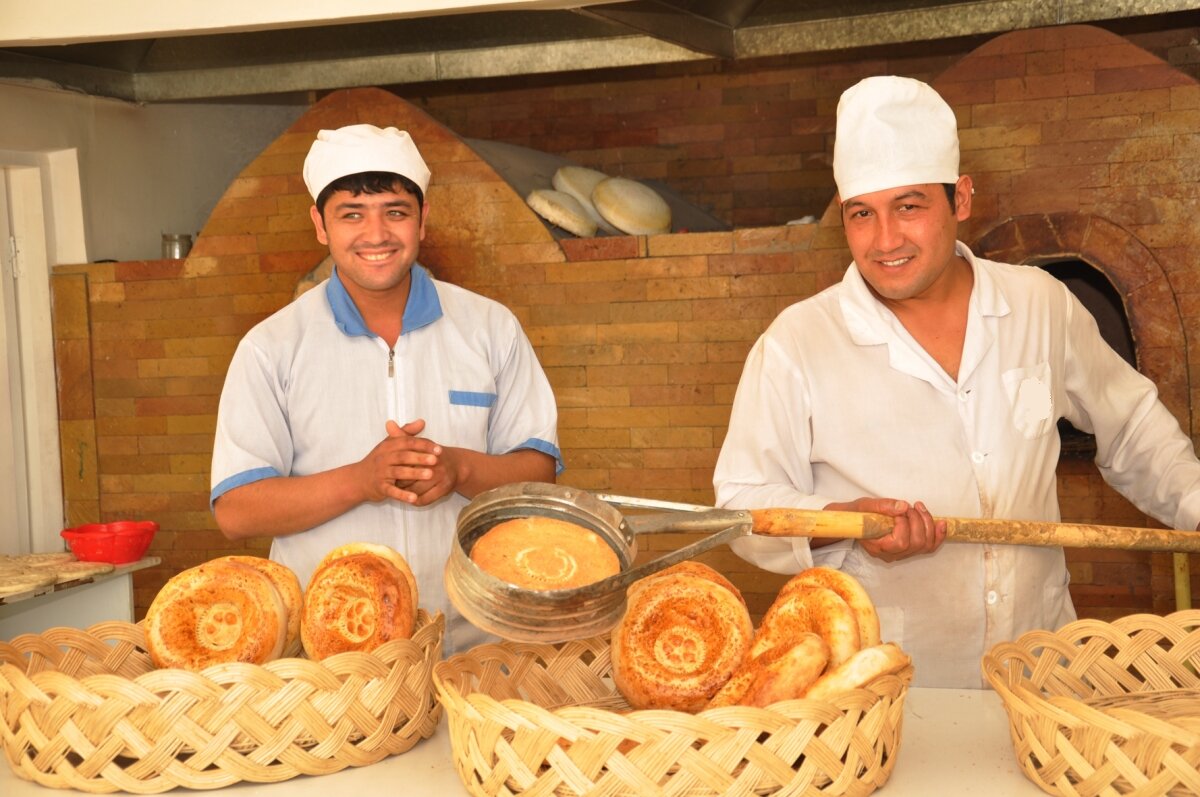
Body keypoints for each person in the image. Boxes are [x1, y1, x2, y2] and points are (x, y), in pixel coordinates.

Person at [712, 75, 1200, 688]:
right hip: (885, 685)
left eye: (909, 206)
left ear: (961, 199)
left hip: (1040, 670)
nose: (885, 240)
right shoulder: (797, 343)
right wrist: (843, 521)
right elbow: (740, 499)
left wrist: (1195, 504)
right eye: (863, 214)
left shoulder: (1039, 306)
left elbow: (1130, 426)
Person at [210, 123, 562, 653]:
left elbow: (539, 475)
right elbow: (237, 511)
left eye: (395, 211)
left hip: (477, 646)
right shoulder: (272, 347)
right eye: (351, 214)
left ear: (423, 219)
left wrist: (459, 469)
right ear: (319, 225)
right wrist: (363, 479)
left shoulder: (490, 329)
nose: (376, 234)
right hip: (334, 656)